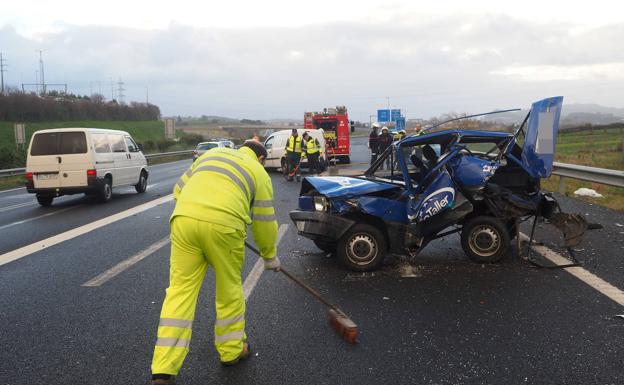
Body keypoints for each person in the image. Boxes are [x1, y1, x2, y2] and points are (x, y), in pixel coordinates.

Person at [150, 140, 279, 385]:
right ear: (261, 158)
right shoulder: (259, 173)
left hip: (184, 222)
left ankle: (163, 368)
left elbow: (178, 190)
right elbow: (264, 223)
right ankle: (231, 351)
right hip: (225, 228)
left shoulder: (213, 153)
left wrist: (197, 213)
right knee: (229, 290)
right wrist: (269, 256)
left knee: (179, 292)